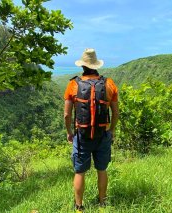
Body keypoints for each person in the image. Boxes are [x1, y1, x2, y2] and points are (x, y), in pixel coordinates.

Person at [63, 48, 119, 212]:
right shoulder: (109, 84)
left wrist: (69, 132)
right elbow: (115, 112)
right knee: (102, 169)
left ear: (83, 66)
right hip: (103, 134)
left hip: (82, 136)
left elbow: (67, 114)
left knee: (80, 171)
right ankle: (102, 203)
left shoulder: (73, 84)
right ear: (96, 66)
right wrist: (112, 130)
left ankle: (79, 206)